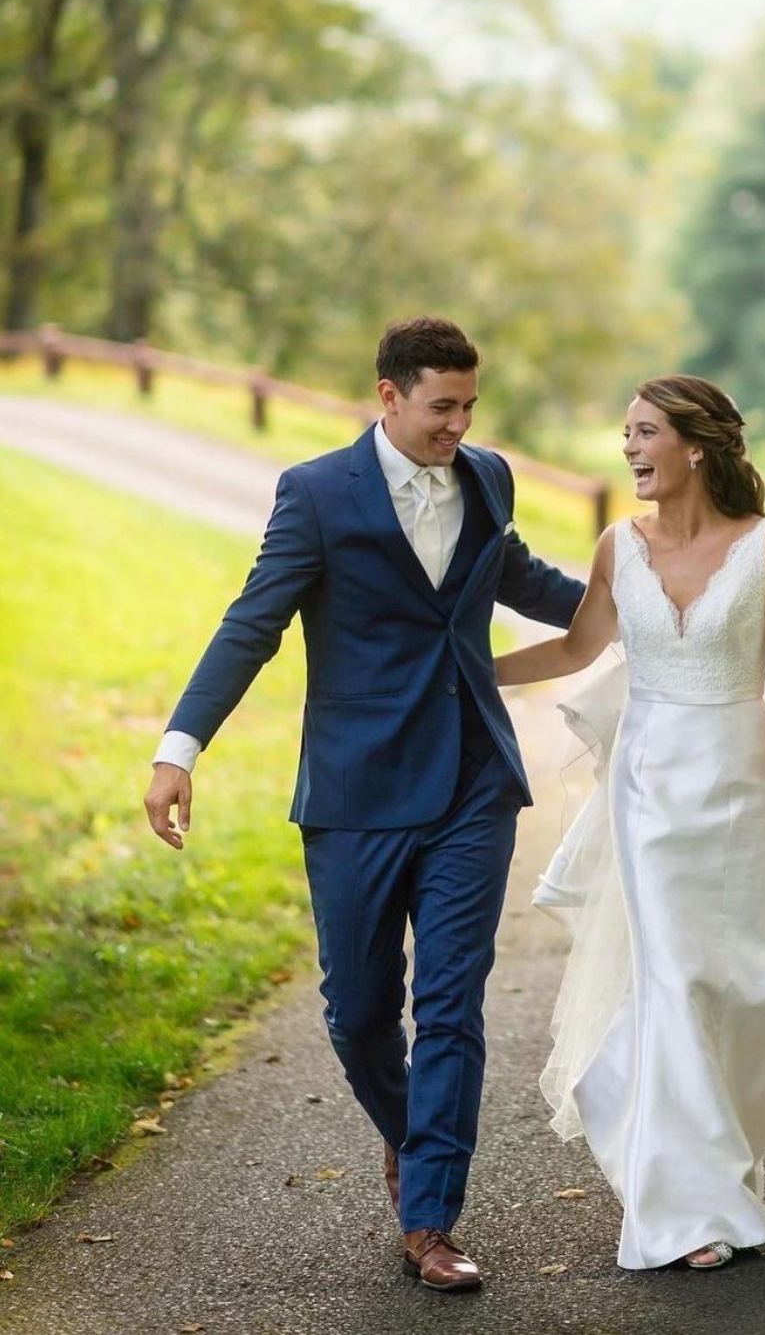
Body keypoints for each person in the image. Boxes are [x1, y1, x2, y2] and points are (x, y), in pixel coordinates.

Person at [143, 316, 584, 1293]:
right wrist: (181, 748)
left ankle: (431, 1221)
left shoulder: (488, 478)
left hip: (473, 778)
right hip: (356, 789)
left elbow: (516, 576)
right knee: (357, 1013)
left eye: (469, 406)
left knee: (452, 1005)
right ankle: (410, 1132)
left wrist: (656, 590)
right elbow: (251, 625)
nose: (458, 426)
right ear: (387, 395)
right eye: (441, 407)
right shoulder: (315, 494)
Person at [495, 374, 765, 1271]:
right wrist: (468, 670)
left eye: (645, 433)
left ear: (697, 445)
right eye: (626, 434)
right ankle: (684, 1212)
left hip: (739, 784)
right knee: (675, 979)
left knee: (745, 989)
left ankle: (713, 1165)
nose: (630, 450)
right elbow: (577, 647)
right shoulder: (619, 544)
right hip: (647, 790)